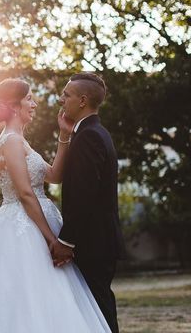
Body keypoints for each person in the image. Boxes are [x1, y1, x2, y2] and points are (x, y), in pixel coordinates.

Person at [0, 77, 111, 333]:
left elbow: (54, 175)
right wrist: (52, 239)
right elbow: (26, 194)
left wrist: (64, 135)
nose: (34, 104)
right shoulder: (10, 141)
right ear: (15, 106)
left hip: (37, 221)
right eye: (29, 98)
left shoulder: (21, 140)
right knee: (26, 296)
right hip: (25, 229)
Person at [51, 72, 125, 333]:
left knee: (98, 308)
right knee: (96, 307)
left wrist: (66, 241)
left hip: (93, 242)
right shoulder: (92, 132)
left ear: (82, 101)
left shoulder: (89, 137)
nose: (61, 100)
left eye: (66, 95)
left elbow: (84, 195)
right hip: (98, 239)